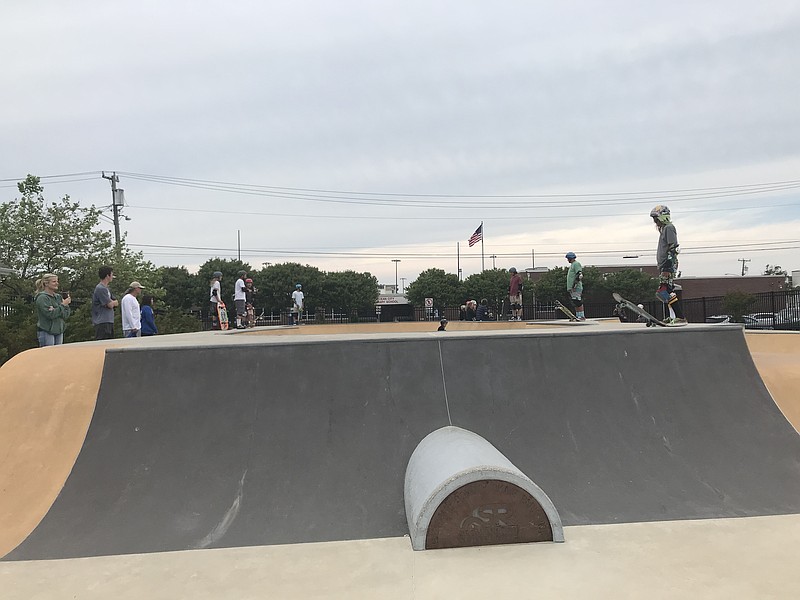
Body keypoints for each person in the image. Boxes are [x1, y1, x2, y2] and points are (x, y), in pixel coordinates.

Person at [650, 205, 687, 324]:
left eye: (656, 219)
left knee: (665, 290)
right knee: (664, 292)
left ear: (663, 217)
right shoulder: (664, 229)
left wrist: (667, 266)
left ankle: (680, 317)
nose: (655, 222)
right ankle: (672, 316)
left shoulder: (669, 228)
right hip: (664, 265)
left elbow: (673, 248)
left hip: (668, 264)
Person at [34, 273, 71, 346]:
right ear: (46, 284)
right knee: (48, 355)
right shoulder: (42, 298)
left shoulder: (58, 297)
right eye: (54, 282)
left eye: (57, 281)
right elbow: (50, 314)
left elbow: (65, 315)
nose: (57, 283)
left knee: (57, 355)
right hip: (46, 331)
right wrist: (63, 305)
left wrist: (62, 307)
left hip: (59, 331)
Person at [92, 265, 118, 340]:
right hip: (102, 322)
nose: (112, 277)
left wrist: (113, 302)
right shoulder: (100, 288)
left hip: (109, 320)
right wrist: (112, 303)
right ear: (107, 276)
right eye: (112, 275)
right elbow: (109, 304)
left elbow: (116, 302)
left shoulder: (107, 288)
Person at [565, 252, 586, 321]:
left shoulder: (576, 264)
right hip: (572, 288)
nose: (567, 260)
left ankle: (581, 316)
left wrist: (574, 285)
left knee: (577, 301)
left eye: (568, 258)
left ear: (570, 258)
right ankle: (578, 316)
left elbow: (579, 275)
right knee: (575, 301)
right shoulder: (572, 265)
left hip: (576, 287)